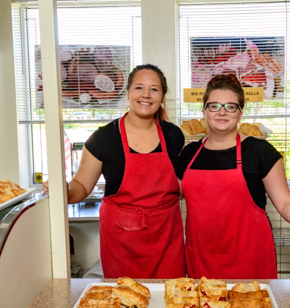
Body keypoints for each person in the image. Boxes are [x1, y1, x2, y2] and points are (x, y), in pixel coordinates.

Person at [46, 64, 186, 279]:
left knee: (170, 302)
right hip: (122, 242)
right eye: (139, 87)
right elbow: (81, 185)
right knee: (124, 303)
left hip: (166, 238)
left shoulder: (174, 136)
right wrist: (64, 190)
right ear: (128, 92)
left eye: (154, 89)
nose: (146, 95)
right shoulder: (104, 139)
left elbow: (180, 184)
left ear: (162, 96)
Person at [177, 73, 290, 280]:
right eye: (214, 106)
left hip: (250, 260)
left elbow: (286, 203)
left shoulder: (260, 152)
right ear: (204, 112)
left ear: (240, 113)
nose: (222, 112)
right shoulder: (188, 155)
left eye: (231, 106)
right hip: (201, 260)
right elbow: (170, 196)